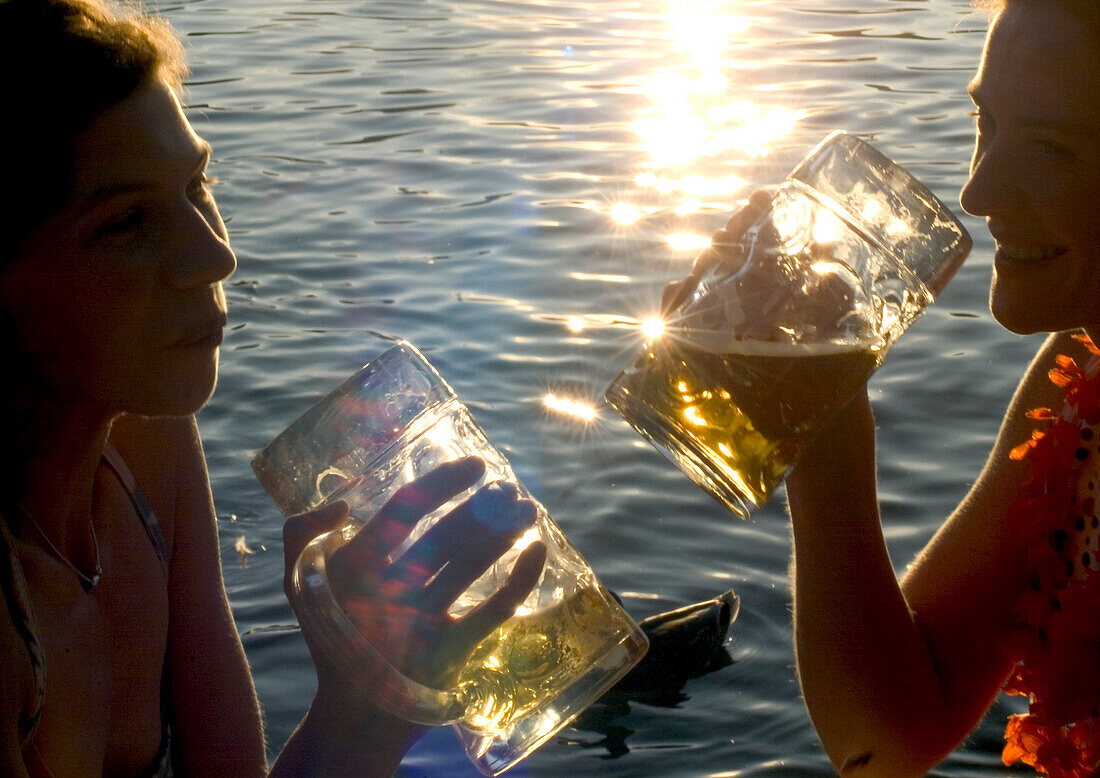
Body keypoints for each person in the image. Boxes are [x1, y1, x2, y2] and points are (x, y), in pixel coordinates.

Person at [0, 0, 547, 775]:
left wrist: (374, 694)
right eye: (125, 222)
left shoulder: (145, 453)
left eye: (198, 185)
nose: (214, 255)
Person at [668, 0, 1100, 774]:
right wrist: (822, 438)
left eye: (1051, 148)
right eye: (986, 122)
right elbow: (889, 741)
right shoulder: (1083, 383)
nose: (978, 192)